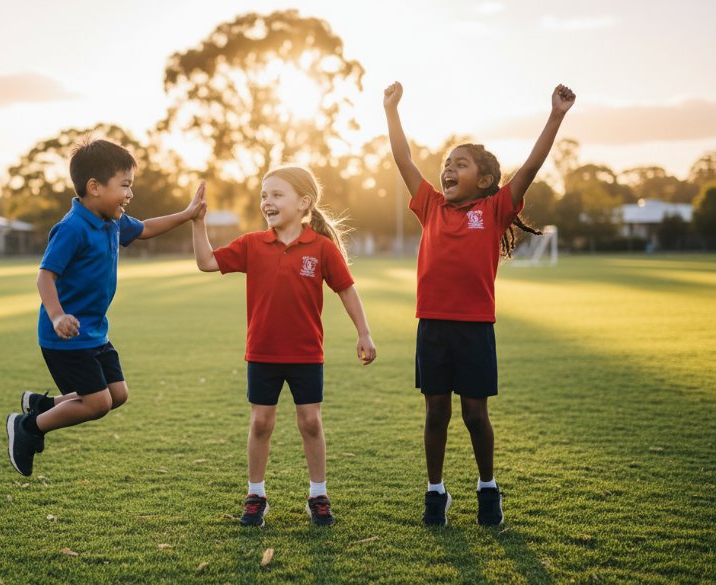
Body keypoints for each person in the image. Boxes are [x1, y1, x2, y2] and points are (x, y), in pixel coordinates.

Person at [382, 81, 576, 526]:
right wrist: (391, 110)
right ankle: (436, 492)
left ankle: (487, 487)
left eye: (460, 165)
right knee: (435, 413)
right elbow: (403, 158)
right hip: (431, 326)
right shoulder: (429, 205)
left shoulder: (492, 210)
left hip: (474, 329)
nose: (448, 169)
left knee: (474, 414)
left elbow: (531, 166)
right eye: (447, 164)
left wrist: (555, 116)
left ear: (484, 181)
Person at [6, 138, 205, 477]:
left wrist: (187, 215)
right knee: (97, 403)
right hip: (66, 338)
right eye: (125, 186)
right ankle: (29, 427)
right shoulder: (73, 228)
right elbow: (45, 277)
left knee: (117, 394)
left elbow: (146, 229)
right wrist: (57, 316)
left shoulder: (113, 221)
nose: (130, 194)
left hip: (95, 331)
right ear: (94, 187)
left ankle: (42, 405)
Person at [191, 165, 377, 527]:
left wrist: (364, 333)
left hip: (307, 354)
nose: (267, 201)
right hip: (262, 352)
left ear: (303, 202)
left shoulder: (321, 248)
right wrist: (198, 222)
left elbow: (346, 289)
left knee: (310, 422)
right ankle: (256, 495)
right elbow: (206, 262)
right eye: (264, 195)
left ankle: (318, 495)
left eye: (277, 195)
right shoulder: (251, 245)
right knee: (261, 422)